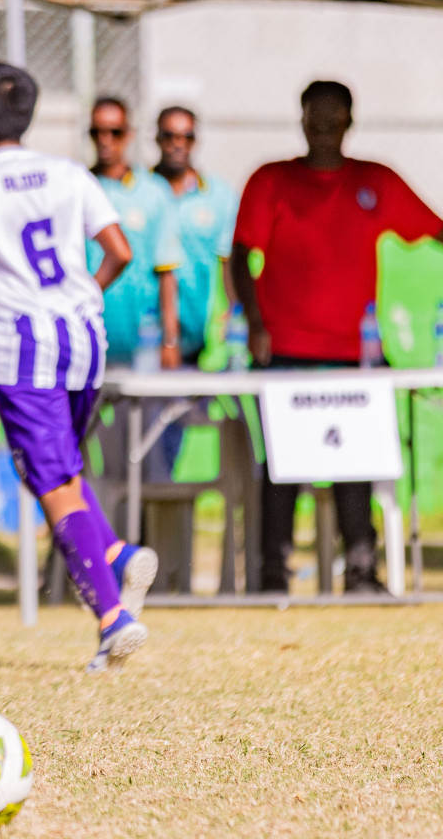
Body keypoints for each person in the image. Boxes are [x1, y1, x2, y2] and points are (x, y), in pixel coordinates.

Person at [0, 62, 155, 671]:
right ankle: (112, 550)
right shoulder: (68, 173)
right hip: (86, 336)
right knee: (57, 463)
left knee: (52, 480)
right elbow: (120, 251)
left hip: (22, 347)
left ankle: (113, 617)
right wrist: (81, 290)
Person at [231, 81, 443, 594]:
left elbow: (434, 230)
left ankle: (363, 573)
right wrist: (255, 322)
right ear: (301, 121)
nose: (324, 132)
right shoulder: (271, 180)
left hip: (354, 355)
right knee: (282, 469)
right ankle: (271, 579)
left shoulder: (376, 181)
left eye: (334, 122)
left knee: (356, 464)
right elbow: (241, 255)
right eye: (315, 121)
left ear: (350, 123)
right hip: (283, 352)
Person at [87, 98, 184, 369]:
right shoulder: (78, 187)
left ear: (128, 134)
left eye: (114, 132)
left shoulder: (154, 192)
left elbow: (166, 271)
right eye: (97, 132)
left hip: (142, 340)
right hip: (88, 332)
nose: (105, 140)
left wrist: (170, 339)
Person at [153, 107, 237, 363]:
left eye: (186, 137)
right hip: (149, 332)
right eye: (169, 136)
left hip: (202, 330)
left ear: (195, 141)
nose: (178, 145)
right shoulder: (145, 192)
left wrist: (233, 315)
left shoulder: (219, 195)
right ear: (157, 139)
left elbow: (228, 262)